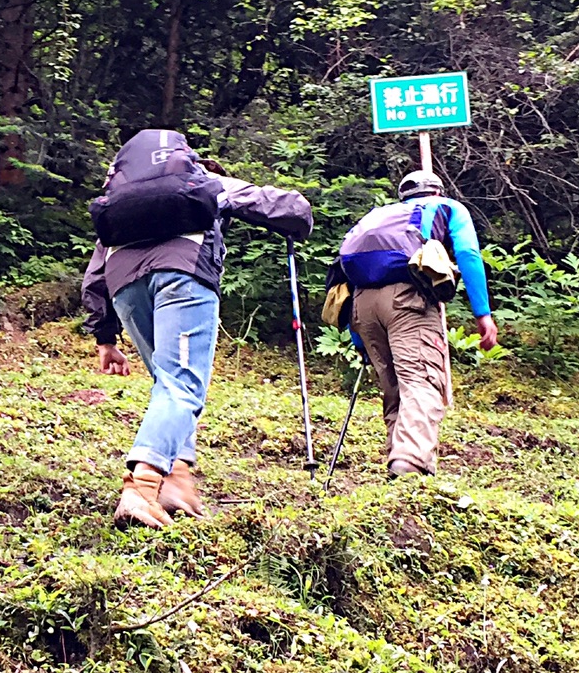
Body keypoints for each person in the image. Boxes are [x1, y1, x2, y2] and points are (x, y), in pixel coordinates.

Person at [82, 130, 313, 528]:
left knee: (169, 383)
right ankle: (142, 487)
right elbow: (272, 203)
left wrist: (105, 338)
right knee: (182, 385)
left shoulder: (124, 200)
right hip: (182, 275)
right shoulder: (201, 180)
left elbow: (93, 275)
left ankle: (177, 480)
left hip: (124, 286)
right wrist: (301, 216)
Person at [333, 170, 497, 477]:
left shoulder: (377, 215)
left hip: (363, 305)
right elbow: (467, 253)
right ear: (437, 192)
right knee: (422, 380)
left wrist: (360, 343)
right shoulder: (449, 207)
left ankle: (403, 461)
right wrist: (483, 314)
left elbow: (344, 275)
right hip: (408, 300)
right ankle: (410, 465)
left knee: (394, 387)